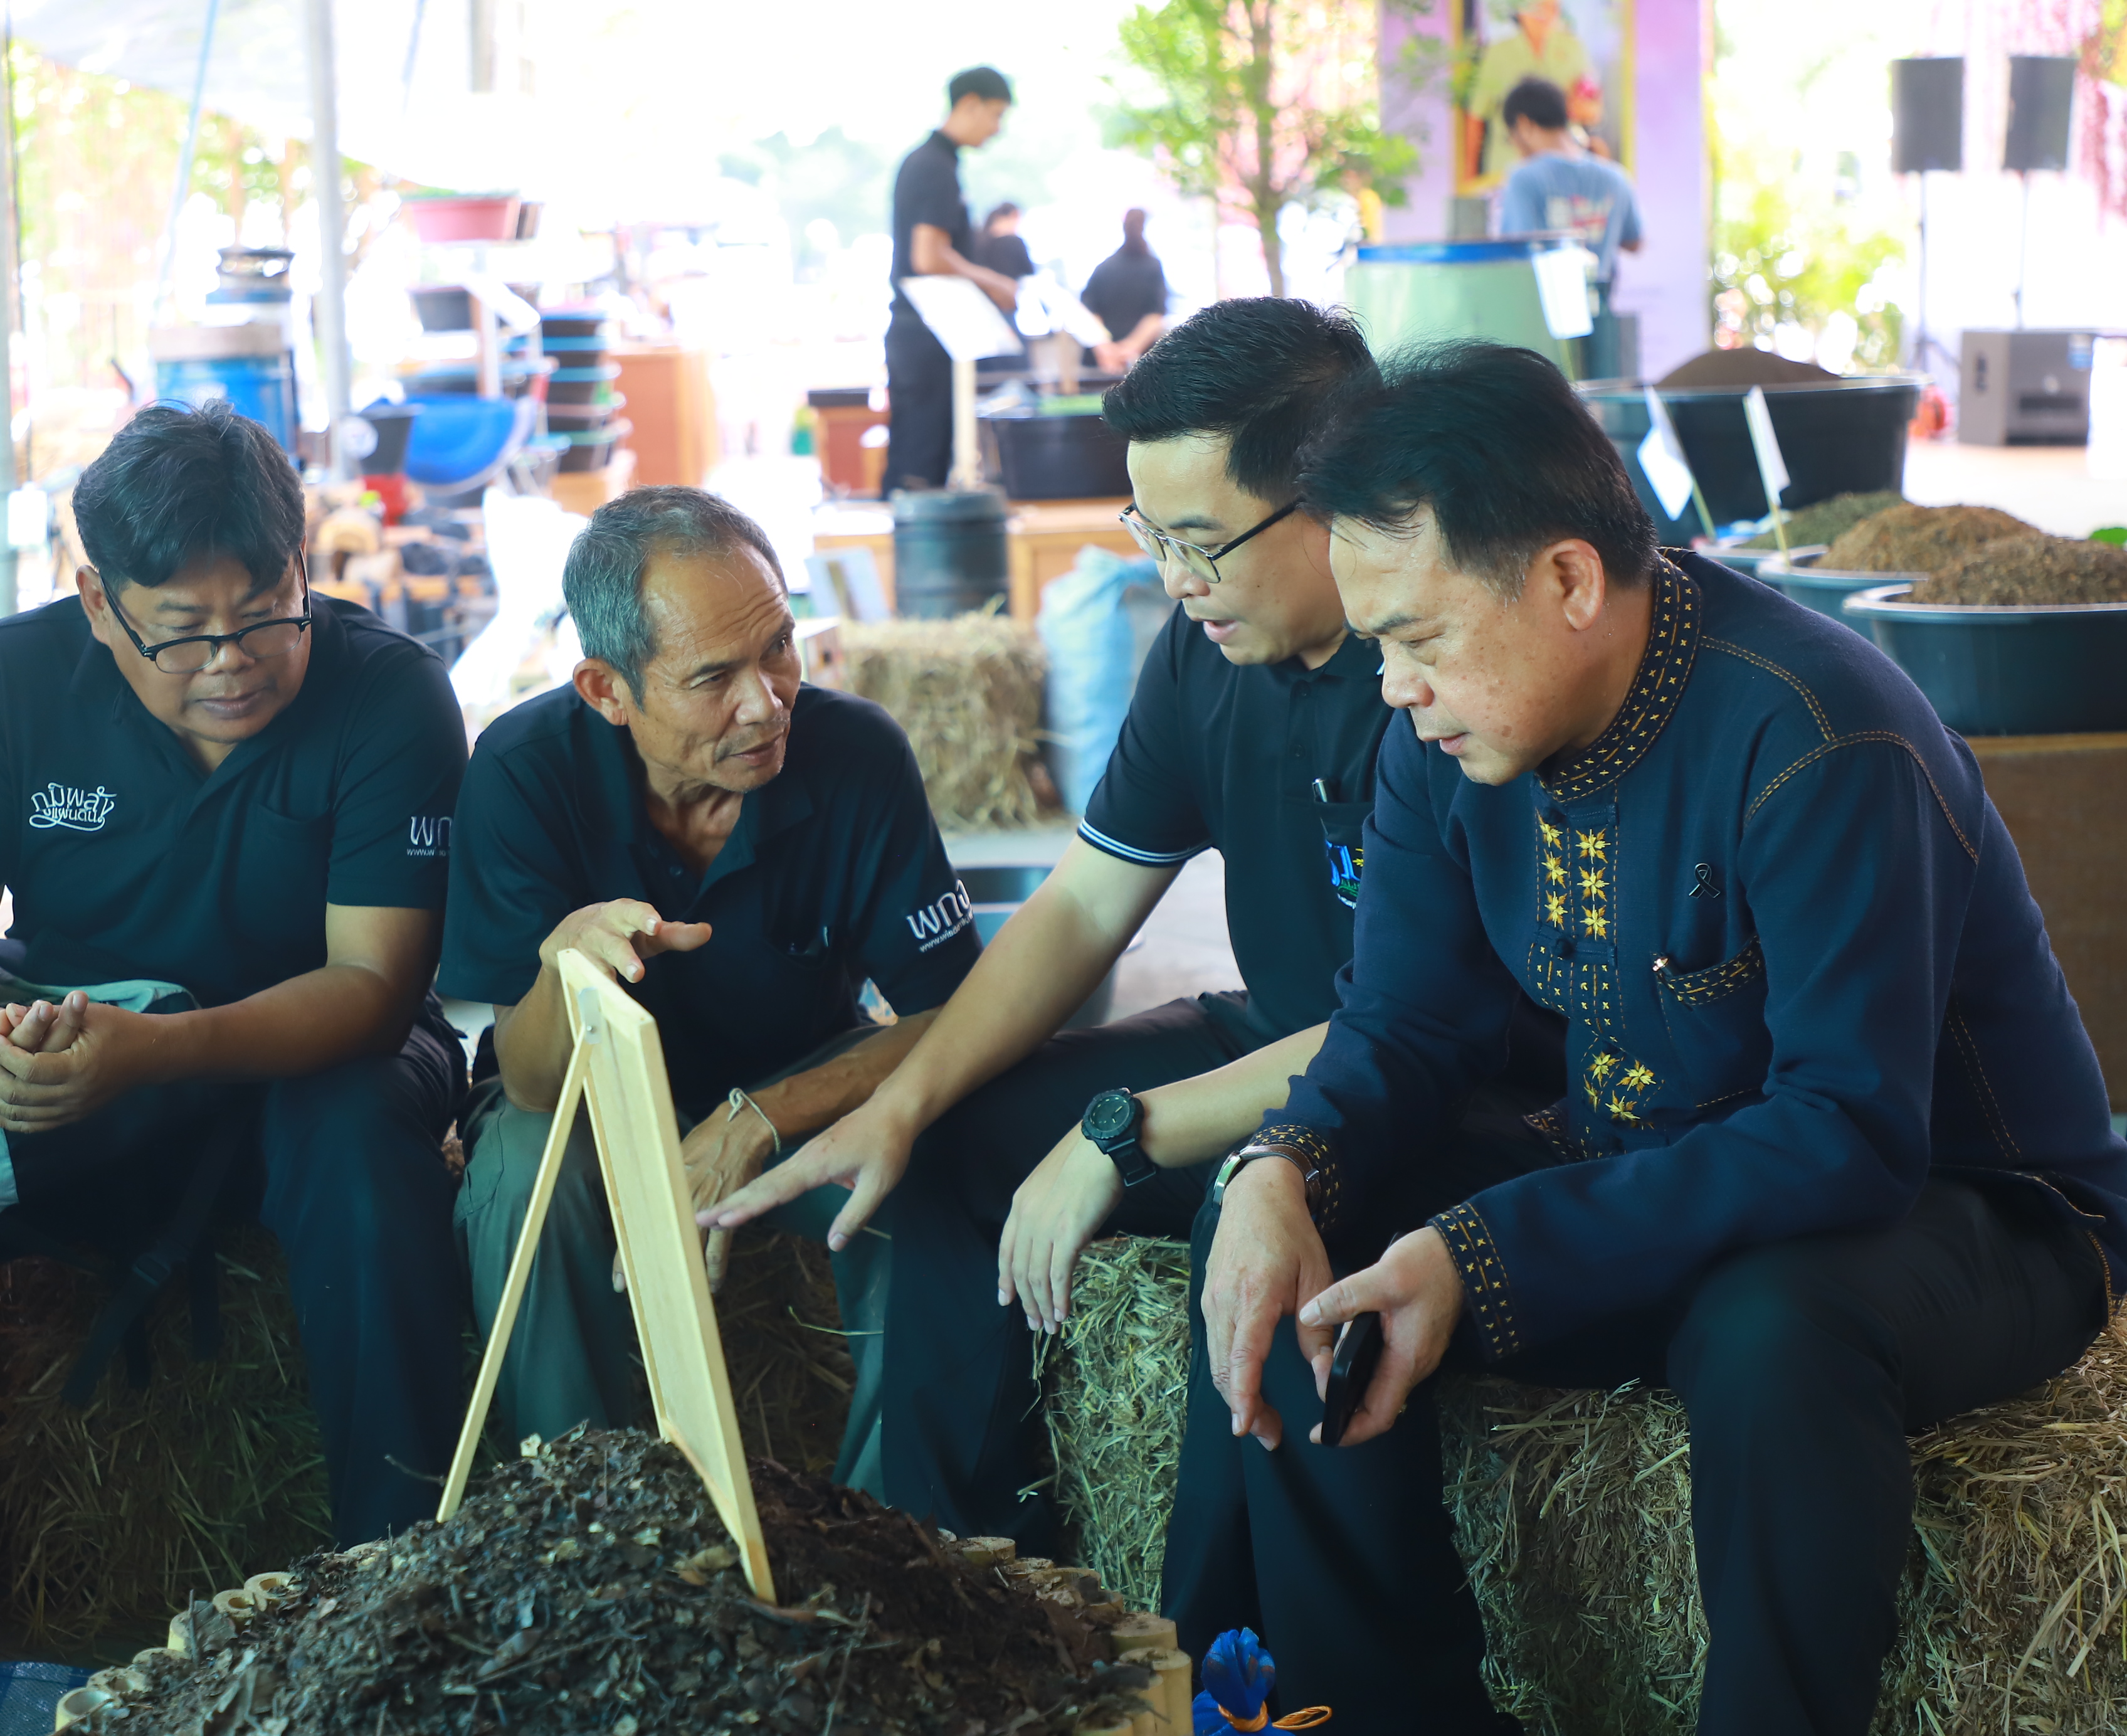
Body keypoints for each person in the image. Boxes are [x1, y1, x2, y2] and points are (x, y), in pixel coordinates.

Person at [1197, 341, 2127, 1732]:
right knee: (1308, 1265)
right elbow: (1404, 1018)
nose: (1393, 690)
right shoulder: (1443, 736)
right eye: (1379, 642)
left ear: (1568, 581)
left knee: (1769, 1329)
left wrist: (1493, 1251)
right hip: (1656, 1164)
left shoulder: (1821, 733)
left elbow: (1851, 1131)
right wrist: (1280, 1168)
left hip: (1967, 1205)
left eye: (1420, 639)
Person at [702, 302, 1503, 1575]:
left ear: (1330, 502)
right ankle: (956, 1571)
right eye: (1150, 535)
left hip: (1412, 1086)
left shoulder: (1444, 677)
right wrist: (903, 1100)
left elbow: (1413, 1028)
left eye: (1199, 542)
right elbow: (1080, 905)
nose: (1171, 581)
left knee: (1248, 1227)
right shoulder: (1201, 655)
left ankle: (1204, 1650)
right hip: (1268, 1031)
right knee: (945, 1144)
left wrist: (1114, 1131)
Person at [0, 400, 473, 1736]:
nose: (232, 662)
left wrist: (163, 1052)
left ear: (305, 566)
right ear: (96, 601)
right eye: (181, 631)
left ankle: (404, 1591)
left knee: (364, 1139)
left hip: (296, 1059)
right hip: (80, 1049)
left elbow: (375, 988)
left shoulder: (390, 693)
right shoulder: (6, 684)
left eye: (264, 612)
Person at [443, 486, 981, 1493]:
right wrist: (567, 964)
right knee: (523, 1174)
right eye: (712, 677)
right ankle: (586, 1526)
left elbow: (953, 1013)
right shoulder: (521, 773)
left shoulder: (857, 754)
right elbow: (525, 1082)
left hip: (797, 1078)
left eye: (779, 646)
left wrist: (757, 1120)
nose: (767, 700)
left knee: (933, 1145)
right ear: (607, 690)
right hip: (592, 1103)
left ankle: (903, 1533)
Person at [882, 67, 1018, 495]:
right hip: (924, 333)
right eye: (995, 115)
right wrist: (993, 281)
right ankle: (906, 560)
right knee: (918, 465)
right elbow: (928, 255)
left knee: (920, 456)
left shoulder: (936, 162)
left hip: (921, 335)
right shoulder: (933, 165)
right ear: (969, 104)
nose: (997, 129)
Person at [1497, 75, 1640, 376]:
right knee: (1600, 405)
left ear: (1523, 125)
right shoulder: (1615, 177)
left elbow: (1518, 251)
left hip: (1543, 313)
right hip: (1601, 305)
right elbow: (1634, 241)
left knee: (1554, 404)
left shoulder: (1524, 179)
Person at [1464, 0, 1595, 184]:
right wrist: (1469, 178)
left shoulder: (1573, 48)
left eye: (1551, 5)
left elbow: (1592, 110)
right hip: (1506, 168)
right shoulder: (1498, 52)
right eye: (1536, 5)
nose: (1544, 10)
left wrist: (1575, 109)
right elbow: (1476, 114)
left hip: (1562, 169)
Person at [1080, 211, 1168, 374]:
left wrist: (1106, 348)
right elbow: (1156, 315)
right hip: (1141, 362)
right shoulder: (1153, 267)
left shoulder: (1104, 267)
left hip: (1102, 362)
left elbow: (1088, 312)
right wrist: (1129, 349)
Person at [976, 204, 1036, 281]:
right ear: (1015, 215)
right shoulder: (1015, 243)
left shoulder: (977, 238)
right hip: (1008, 290)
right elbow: (1030, 272)